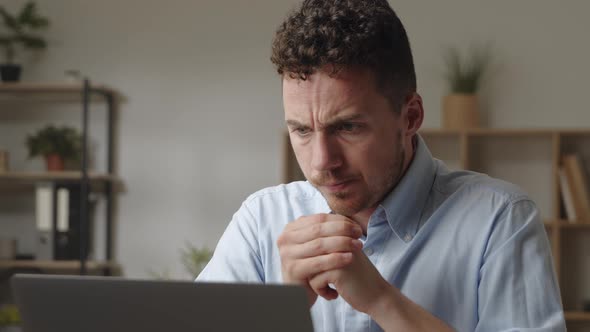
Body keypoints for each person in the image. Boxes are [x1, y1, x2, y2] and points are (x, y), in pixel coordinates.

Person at [197, 0, 566, 330]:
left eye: (348, 127)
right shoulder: (260, 220)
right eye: (302, 131)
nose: (322, 162)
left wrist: (381, 302)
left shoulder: (500, 221)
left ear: (411, 116)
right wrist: (280, 310)